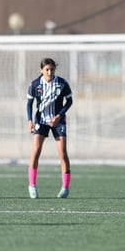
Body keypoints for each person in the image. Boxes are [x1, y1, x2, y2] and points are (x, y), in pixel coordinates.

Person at [26, 58, 73, 199]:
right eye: (46, 69)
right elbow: (29, 104)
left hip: (58, 121)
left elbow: (70, 101)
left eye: (52, 69)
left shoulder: (62, 83)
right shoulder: (35, 84)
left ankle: (65, 187)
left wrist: (59, 116)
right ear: (42, 70)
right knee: (35, 151)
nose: (49, 72)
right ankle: (32, 185)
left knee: (63, 153)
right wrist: (29, 121)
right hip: (41, 120)